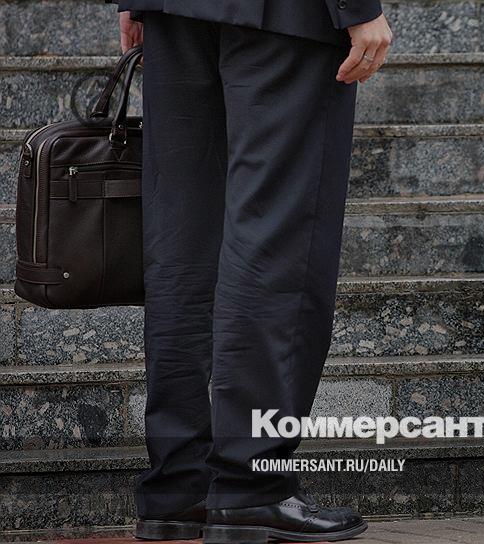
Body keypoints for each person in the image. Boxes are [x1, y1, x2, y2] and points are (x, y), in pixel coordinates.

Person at [104, 1, 393, 542]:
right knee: (277, 236)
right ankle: (249, 485)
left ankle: (179, 488)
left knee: (183, 242)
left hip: (175, 8)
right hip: (287, 14)